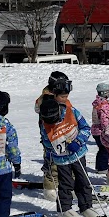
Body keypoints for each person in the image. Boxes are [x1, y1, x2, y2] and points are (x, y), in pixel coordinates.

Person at [38, 94, 96, 217]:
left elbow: (86, 128)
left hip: (77, 154)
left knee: (83, 180)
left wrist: (79, 141)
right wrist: (49, 156)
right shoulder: (45, 124)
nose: (51, 123)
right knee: (65, 183)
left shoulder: (72, 112)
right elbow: (46, 142)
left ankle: (86, 206)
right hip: (61, 159)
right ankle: (64, 208)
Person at [34, 72, 71, 202]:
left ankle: (66, 183)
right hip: (50, 134)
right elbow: (38, 109)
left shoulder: (58, 95)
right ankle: (49, 187)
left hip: (64, 132)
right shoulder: (47, 98)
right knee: (52, 161)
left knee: (66, 158)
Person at [91, 83, 109, 174]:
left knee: (102, 148)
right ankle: (102, 168)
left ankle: (99, 166)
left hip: (96, 130)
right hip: (101, 131)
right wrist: (107, 129)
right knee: (105, 149)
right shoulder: (103, 104)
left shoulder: (97, 102)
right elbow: (104, 119)